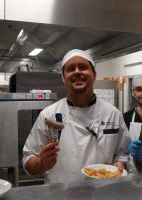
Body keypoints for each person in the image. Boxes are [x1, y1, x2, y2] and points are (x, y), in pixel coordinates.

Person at [22, 49, 129, 184]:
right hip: (60, 194)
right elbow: (27, 161)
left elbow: (123, 152)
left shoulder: (113, 114)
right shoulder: (48, 115)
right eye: (71, 69)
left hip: (103, 194)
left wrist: (120, 164)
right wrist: (40, 163)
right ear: (63, 77)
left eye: (83, 67)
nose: (77, 72)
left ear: (94, 74)